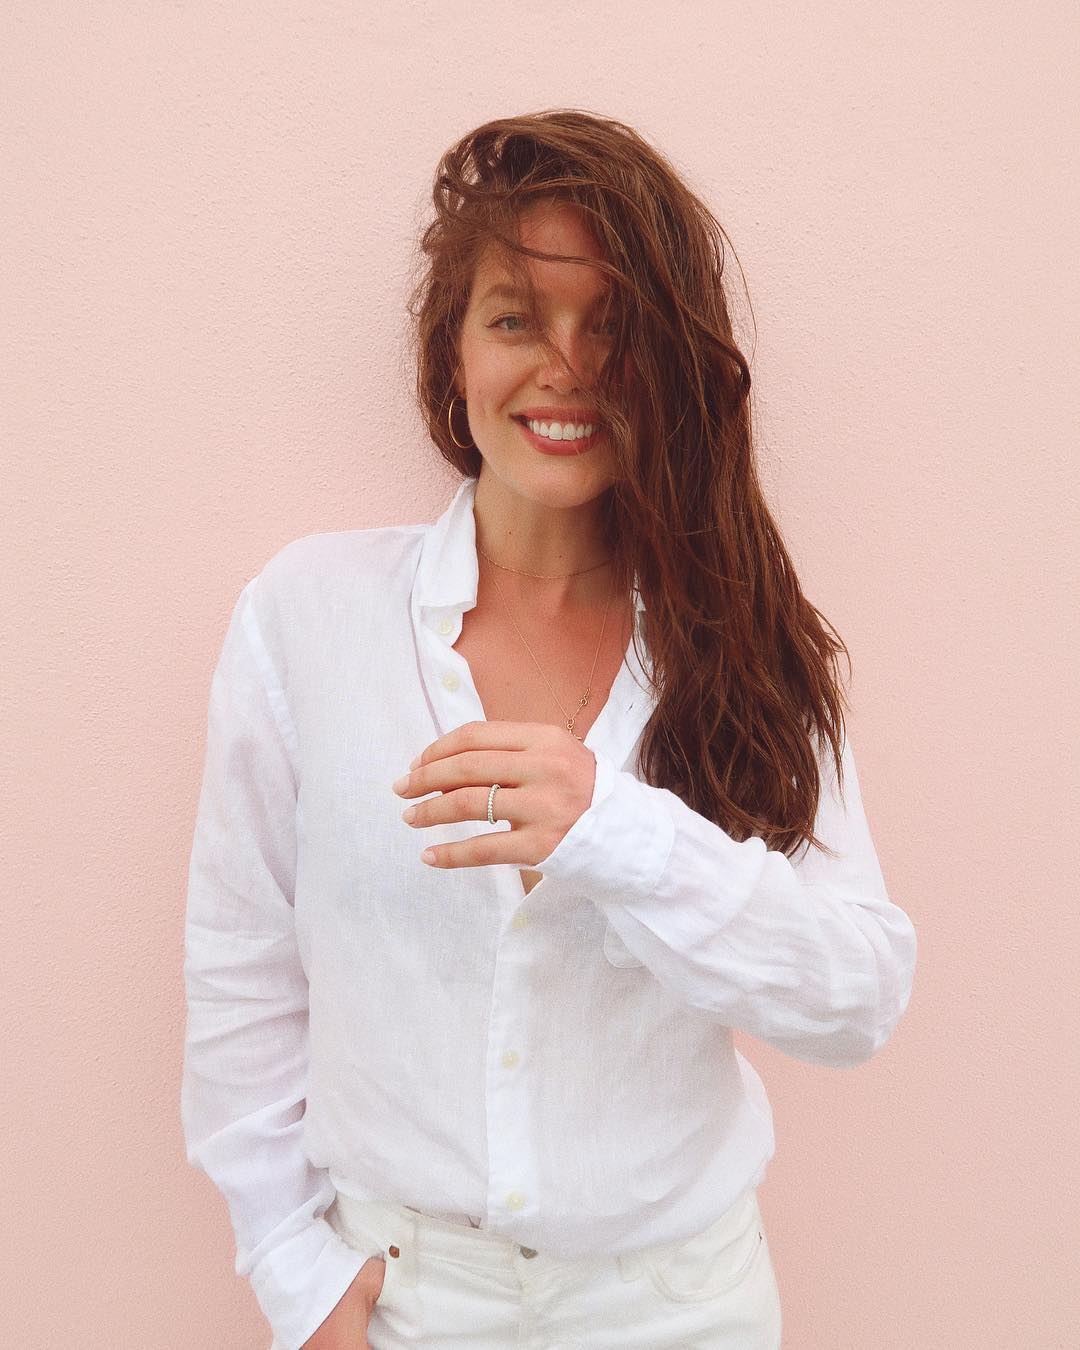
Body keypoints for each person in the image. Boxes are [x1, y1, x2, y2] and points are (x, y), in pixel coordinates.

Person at [181, 110, 918, 1350]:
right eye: (516, 319)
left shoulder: (744, 644)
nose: (565, 367)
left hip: (682, 1308)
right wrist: (292, 1273)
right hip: (405, 1303)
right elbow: (241, 964)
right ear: (452, 352)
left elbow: (857, 998)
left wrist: (618, 833)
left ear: (667, 359)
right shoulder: (306, 618)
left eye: (611, 325)